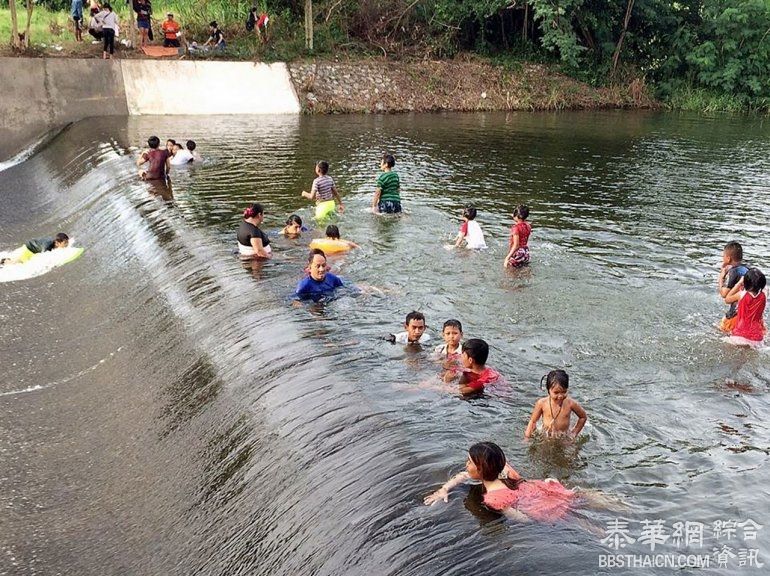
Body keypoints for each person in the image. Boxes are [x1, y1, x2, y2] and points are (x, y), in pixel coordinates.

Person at [423, 442, 577, 523]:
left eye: (469, 462)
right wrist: (445, 488)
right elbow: (463, 476)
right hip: (546, 490)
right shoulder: (505, 472)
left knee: (582, 524)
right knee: (583, 498)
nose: (465, 465)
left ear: (480, 470)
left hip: (543, 507)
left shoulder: (493, 500)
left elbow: (523, 520)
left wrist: (535, 520)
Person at [524, 370, 587, 439]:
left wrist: (574, 433)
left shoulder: (570, 404)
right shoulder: (542, 403)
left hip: (563, 437)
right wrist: (527, 438)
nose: (560, 396)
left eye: (564, 392)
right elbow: (533, 421)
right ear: (548, 390)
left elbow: (583, 417)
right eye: (556, 392)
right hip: (546, 436)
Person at [724, 268, 767, 347]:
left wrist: (739, 283)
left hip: (739, 335)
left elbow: (727, 299)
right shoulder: (764, 295)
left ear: (745, 283)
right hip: (756, 338)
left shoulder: (742, 294)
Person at [717, 241, 749, 333]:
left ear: (728, 258)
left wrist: (721, 277)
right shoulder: (747, 269)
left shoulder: (733, 271)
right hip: (749, 314)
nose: (722, 258)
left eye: (723, 256)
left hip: (736, 315)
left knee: (719, 332)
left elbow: (724, 294)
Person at [1, 233, 70, 266]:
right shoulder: (48, 246)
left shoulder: (54, 243)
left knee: (18, 261)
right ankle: (3, 262)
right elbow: (44, 257)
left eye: (67, 242)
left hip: (32, 247)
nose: (67, 244)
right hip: (28, 249)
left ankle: (5, 260)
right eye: (65, 243)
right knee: (18, 263)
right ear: (57, 243)